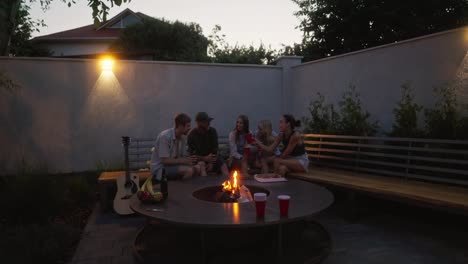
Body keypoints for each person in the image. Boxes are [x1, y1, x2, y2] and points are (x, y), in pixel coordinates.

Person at [150, 113, 201, 180]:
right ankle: (182, 189)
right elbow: (165, 161)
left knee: (197, 168)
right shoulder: (165, 137)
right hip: (160, 169)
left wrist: (190, 160)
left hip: (173, 166)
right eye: (188, 126)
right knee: (189, 170)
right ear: (180, 126)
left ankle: (188, 187)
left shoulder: (183, 138)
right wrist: (184, 161)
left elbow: (182, 157)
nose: (190, 128)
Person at [187, 112, 230, 177]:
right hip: (200, 159)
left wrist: (211, 162)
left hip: (212, 158)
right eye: (206, 122)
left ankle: (227, 181)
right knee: (201, 165)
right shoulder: (192, 135)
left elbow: (215, 149)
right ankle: (204, 184)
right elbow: (192, 155)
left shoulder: (212, 131)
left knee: (222, 163)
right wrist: (204, 158)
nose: (208, 124)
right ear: (199, 123)